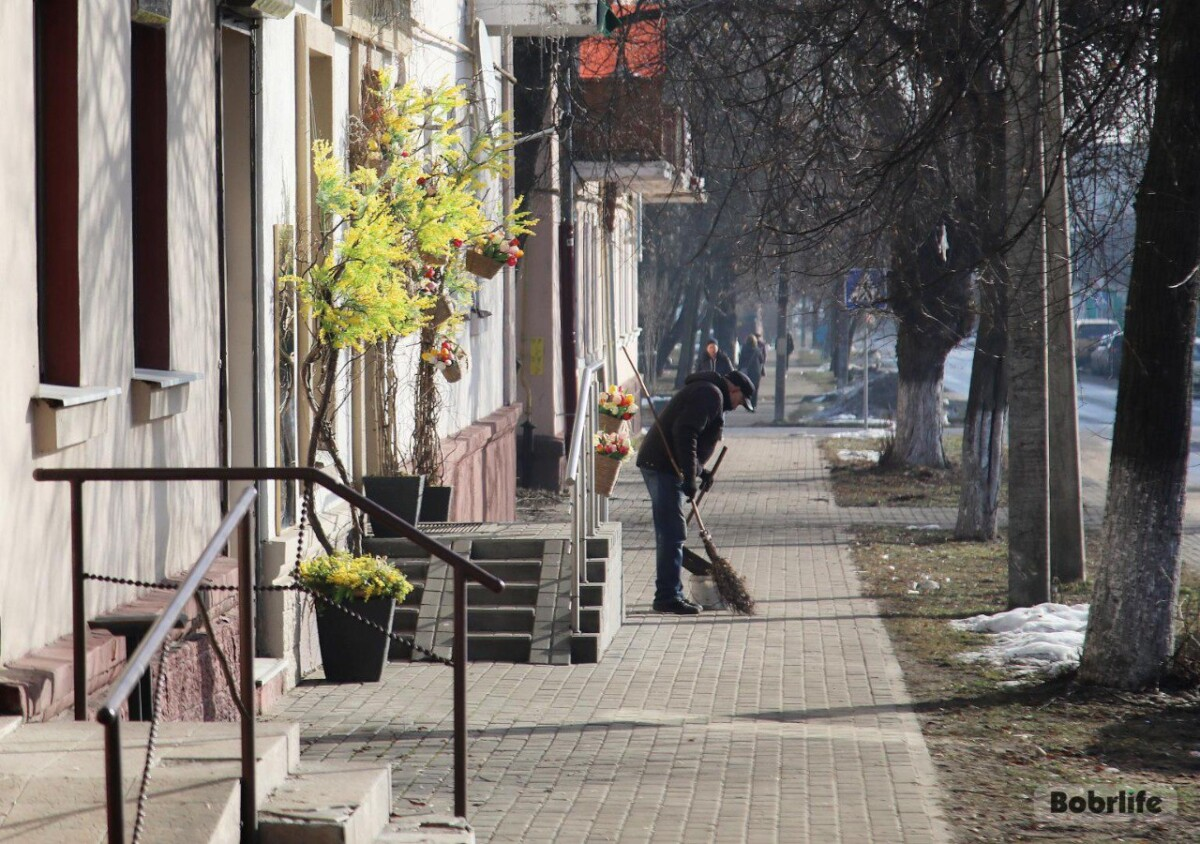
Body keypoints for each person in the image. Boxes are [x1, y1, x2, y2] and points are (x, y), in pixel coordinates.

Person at [636, 369, 756, 614]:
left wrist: (701, 472)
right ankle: (668, 597)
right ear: (734, 389)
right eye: (740, 401)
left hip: (663, 465)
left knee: (671, 530)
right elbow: (685, 433)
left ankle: (669, 593)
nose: (737, 406)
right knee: (672, 531)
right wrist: (690, 476)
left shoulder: (709, 392)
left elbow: (689, 439)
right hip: (662, 466)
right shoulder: (710, 395)